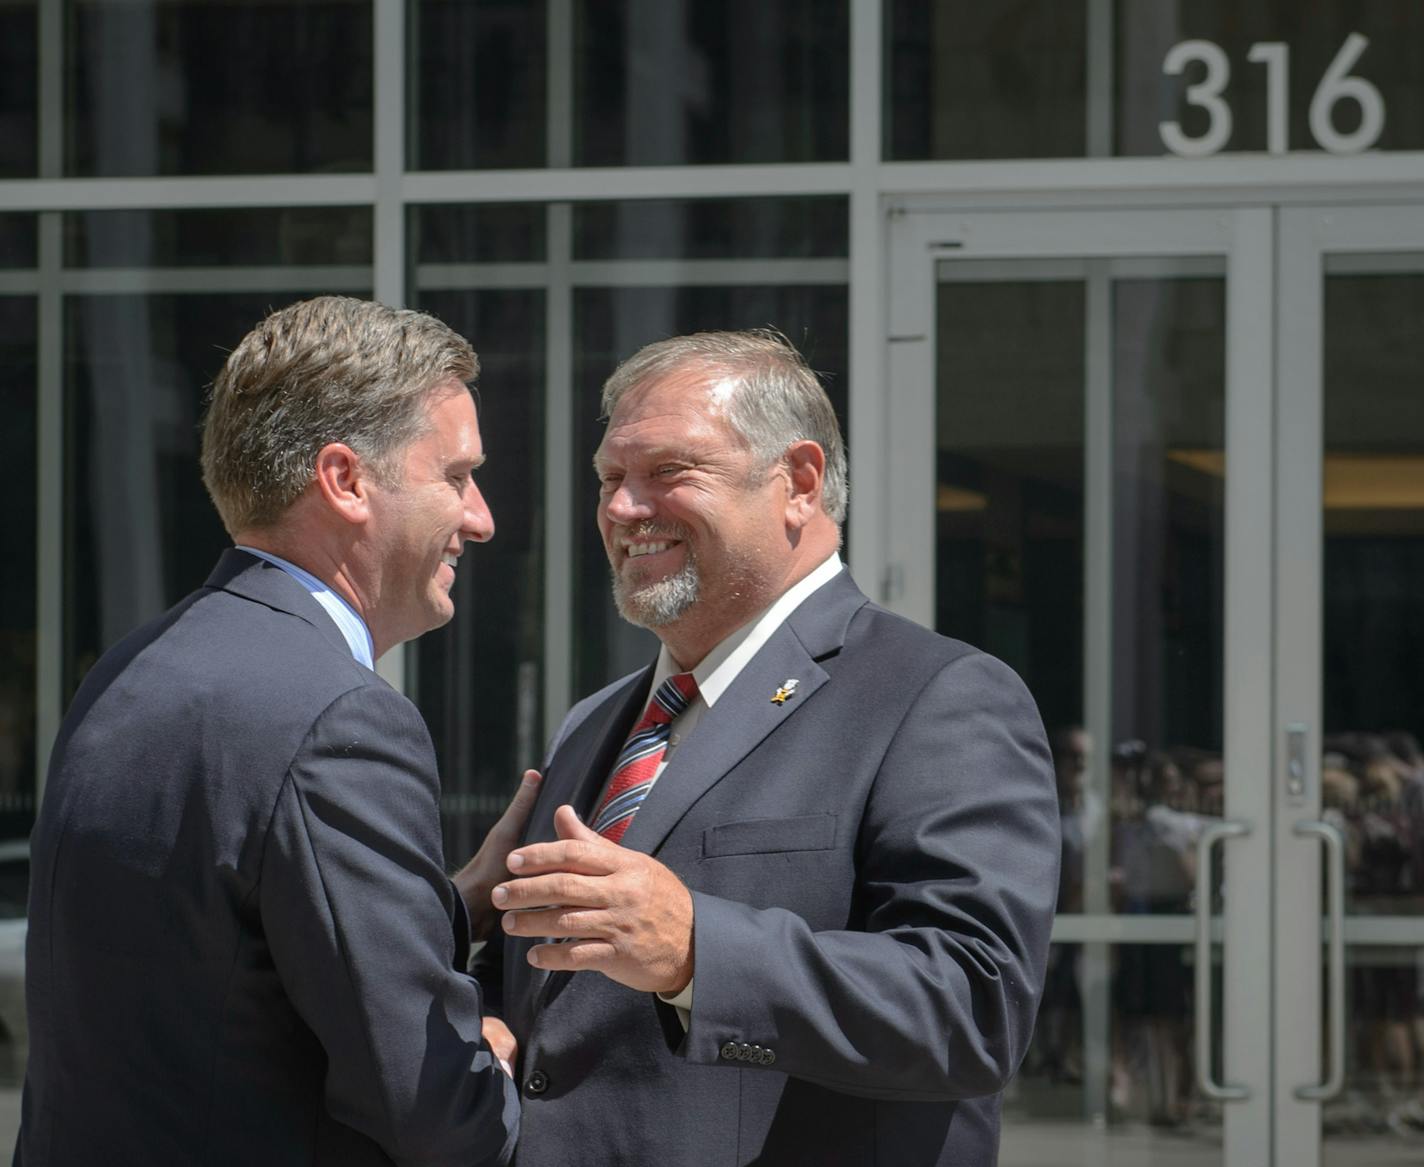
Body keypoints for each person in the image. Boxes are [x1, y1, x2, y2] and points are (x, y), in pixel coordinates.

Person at [484, 329, 1060, 1165]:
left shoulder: (938, 696)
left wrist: (695, 952)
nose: (621, 508)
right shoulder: (598, 721)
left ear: (799, 481)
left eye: (669, 472)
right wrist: (482, 1005)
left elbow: (973, 1007)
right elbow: (558, 988)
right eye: (611, 478)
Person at [17, 296, 533, 1166]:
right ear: (346, 480)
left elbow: (216, 960)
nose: (480, 516)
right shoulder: (340, 716)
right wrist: (493, 1056)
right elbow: (436, 1112)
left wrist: (458, 904)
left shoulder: (135, 665)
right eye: (455, 475)